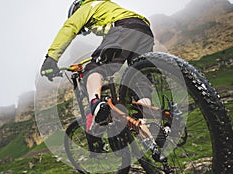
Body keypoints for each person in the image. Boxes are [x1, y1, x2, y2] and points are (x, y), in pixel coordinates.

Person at [41, 0, 154, 133]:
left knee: (94, 68)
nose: (87, 30)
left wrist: (51, 58)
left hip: (124, 26)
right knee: (139, 77)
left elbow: (70, 27)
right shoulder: (105, 6)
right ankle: (147, 121)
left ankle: (96, 104)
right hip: (144, 29)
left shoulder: (86, 7)